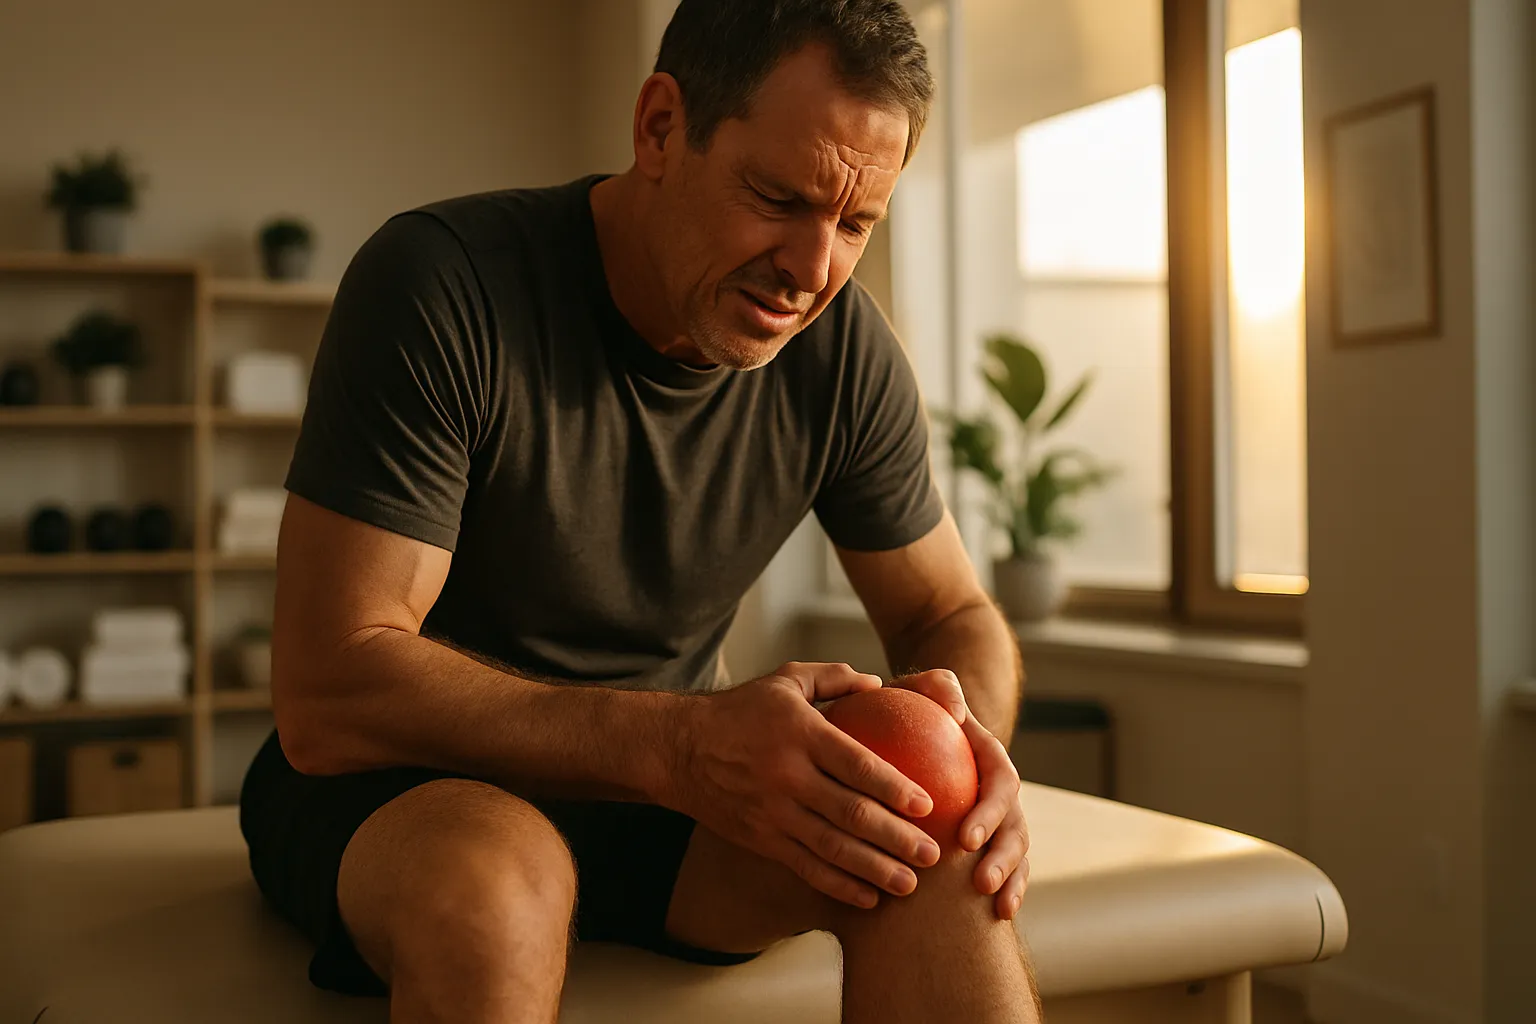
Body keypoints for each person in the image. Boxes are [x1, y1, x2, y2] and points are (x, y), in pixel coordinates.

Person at [238, 1, 1039, 1021]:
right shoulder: (444, 282)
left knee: (926, 838)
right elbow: (330, 687)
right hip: (402, 781)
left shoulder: (844, 354)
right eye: (778, 197)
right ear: (660, 127)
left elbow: (948, 613)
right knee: (497, 892)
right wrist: (680, 745)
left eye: (855, 224)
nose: (813, 271)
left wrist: (967, 758)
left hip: (673, 795)